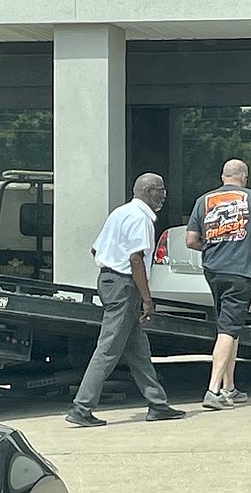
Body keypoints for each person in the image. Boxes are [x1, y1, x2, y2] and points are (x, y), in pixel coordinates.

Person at [65, 173, 186, 427]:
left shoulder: (120, 213)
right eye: (161, 190)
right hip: (124, 286)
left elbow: (96, 249)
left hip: (110, 281)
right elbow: (135, 260)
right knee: (108, 349)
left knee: (138, 350)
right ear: (150, 191)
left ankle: (157, 404)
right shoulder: (141, 219)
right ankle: (81, 407)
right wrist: (147, 299)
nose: (164, 195)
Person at [185, 159, 251, 410]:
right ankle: (213, 390)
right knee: (227, 330)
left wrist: (214, 246)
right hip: (239, 271)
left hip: (213, 270)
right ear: (244, 177)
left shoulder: (203, 200)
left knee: (229, 327)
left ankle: (229, 388)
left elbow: (191, 240)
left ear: (222, 177)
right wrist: (250, 244)